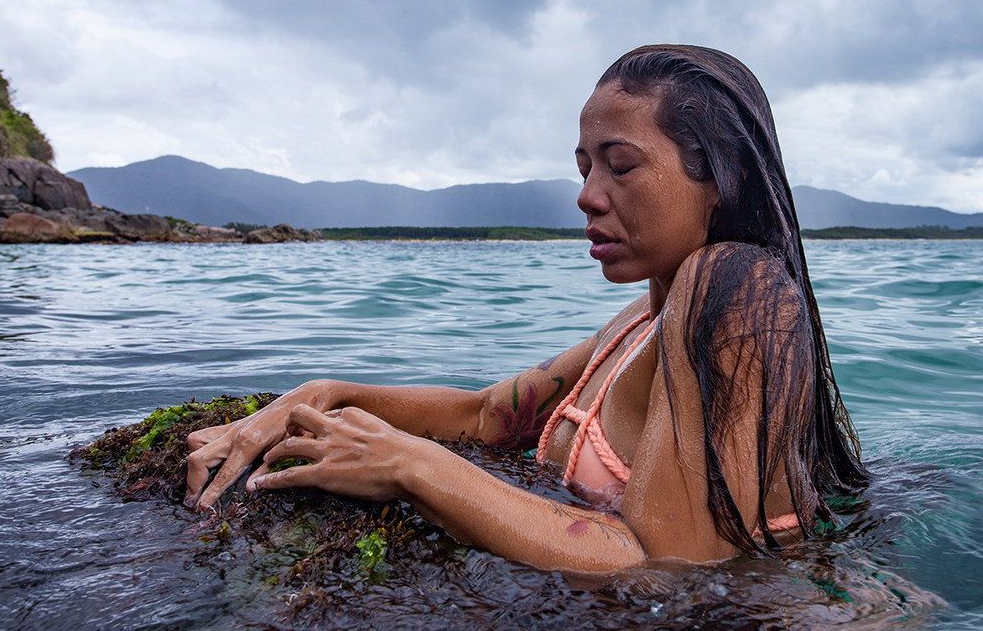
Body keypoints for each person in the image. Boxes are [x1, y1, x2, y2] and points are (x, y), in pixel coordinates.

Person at [185, 44, 866, 573]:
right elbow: (488, 417)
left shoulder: (741, 286)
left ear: (725, 176)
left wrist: (412, 468)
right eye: (585, 168)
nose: (587, 196)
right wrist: (321, 394)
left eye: (621, 165)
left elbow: (669, 563)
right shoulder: (638, 321)